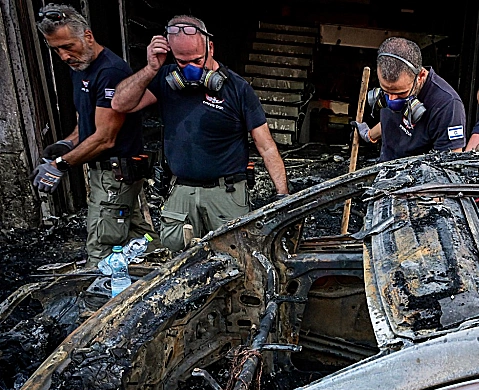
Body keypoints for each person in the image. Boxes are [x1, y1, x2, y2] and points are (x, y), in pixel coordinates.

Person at [111, 15, 288, 251]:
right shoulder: (165, 80)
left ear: (210, 48)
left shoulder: (238, 89)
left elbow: (266, 147)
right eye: (182, 62)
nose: (191, 69)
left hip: (226, 194)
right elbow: (120, 104)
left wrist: (282, 196)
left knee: (235, 257)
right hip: (181, 192)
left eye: (196, 60)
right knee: (178, 259)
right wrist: (151, 68)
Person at [33, 3, 157, 266]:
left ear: (88, 36)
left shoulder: (109, 72)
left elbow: (105, 137)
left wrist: (60, 165)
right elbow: (87, 122)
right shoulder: (80, 68)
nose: (64, 56)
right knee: (140, 238)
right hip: (106, 175)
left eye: (68, 46)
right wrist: (68, 143)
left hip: (117, 175)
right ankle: (163, 268)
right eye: (56, 49)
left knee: (103, 247)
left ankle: (105, 288)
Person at [352, 37, 466, 162]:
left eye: (401, 93)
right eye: (386, 92)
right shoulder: (398, 87)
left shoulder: (447, 105)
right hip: (385, 167)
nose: (391, 100)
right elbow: (394, 122)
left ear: (421, 75)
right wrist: (369, 135)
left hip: (416, 173)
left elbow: (450, 164)